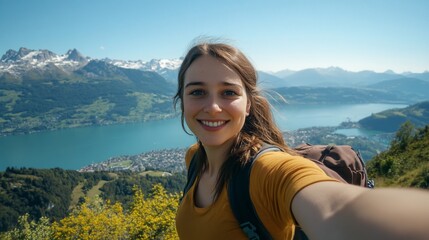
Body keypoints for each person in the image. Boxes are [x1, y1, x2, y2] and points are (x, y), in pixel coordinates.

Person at [173, 41, 429, 240]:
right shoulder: (195, 157)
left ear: (248, 104)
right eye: (197, 92)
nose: (213, 107)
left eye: (228, 92)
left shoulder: (268, 171)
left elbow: (334, 209)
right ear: (181, 100)